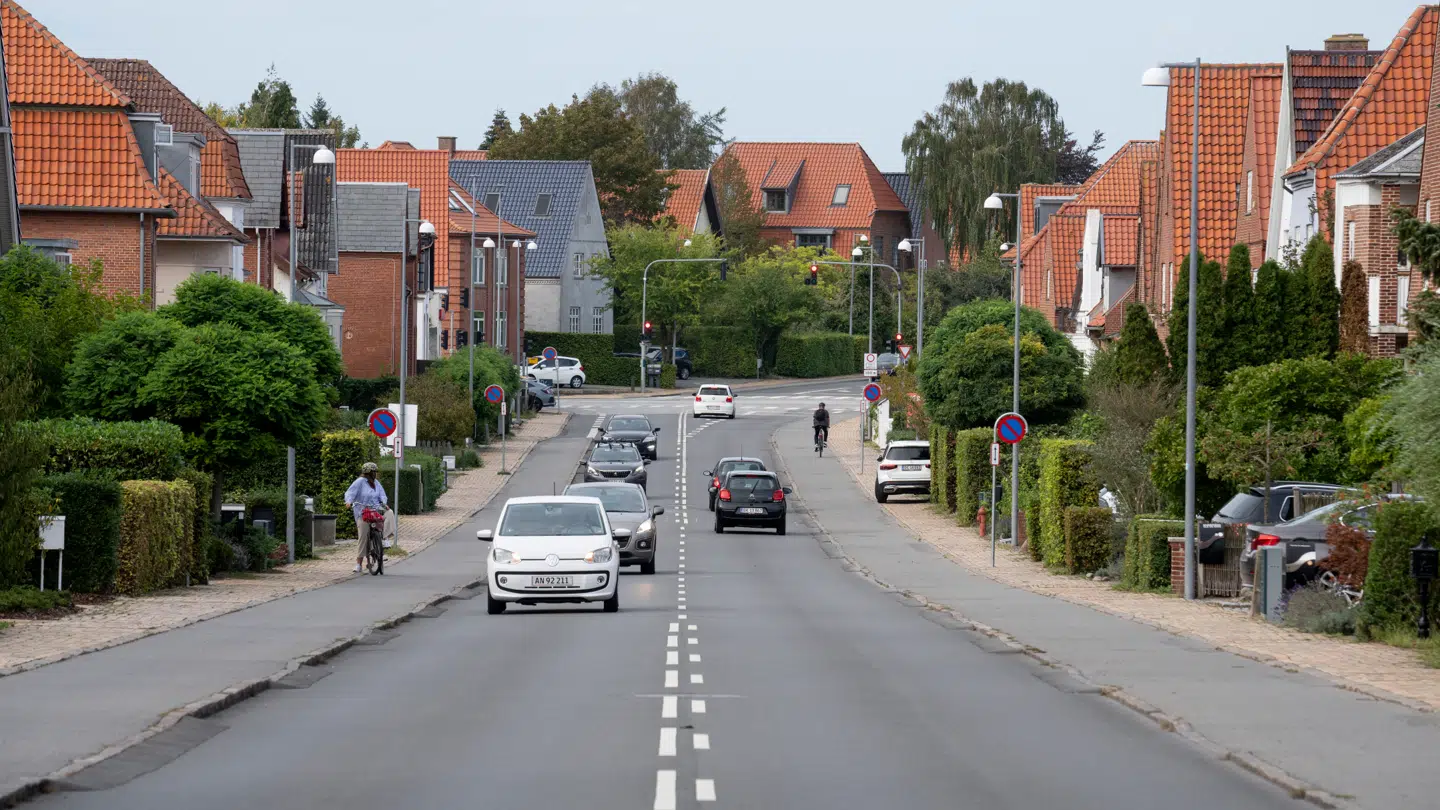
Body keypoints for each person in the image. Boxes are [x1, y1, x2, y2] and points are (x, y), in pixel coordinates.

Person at [345, 462, 389, 572]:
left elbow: (382, 494)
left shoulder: (376, 483)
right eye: (373, 472)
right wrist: (349, 501)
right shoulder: (360, 482)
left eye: (375, 472)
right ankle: (358, 564)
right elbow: (350, 492)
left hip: (375, 511)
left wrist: (384, 503)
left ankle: (384, 542)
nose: (375, 474)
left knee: (389, 514)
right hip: (362, 512)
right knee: (363, 536)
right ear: (368, 473)